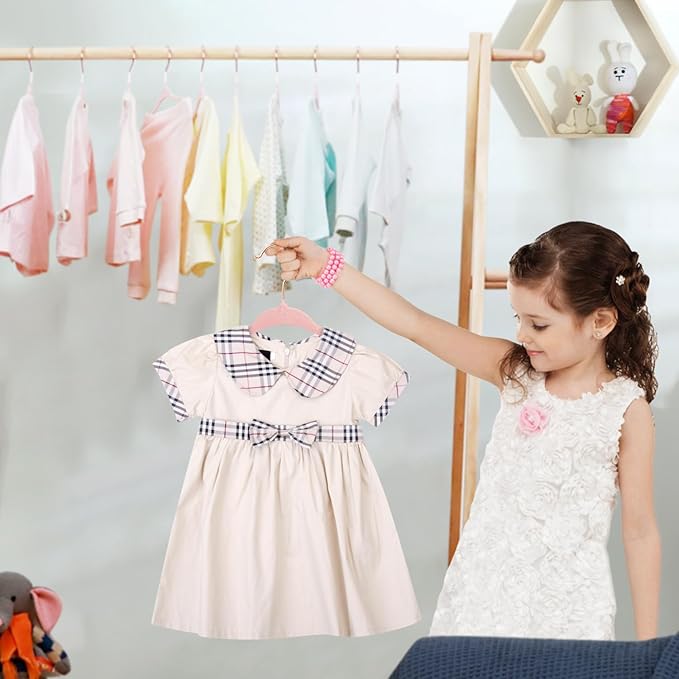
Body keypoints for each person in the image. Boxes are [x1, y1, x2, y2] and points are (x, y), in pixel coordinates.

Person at [264, 221, 661, 641]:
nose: (522, 335)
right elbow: (414, 323)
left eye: (539, 325)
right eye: (519, 319)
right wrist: (326, 267)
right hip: (482, 598)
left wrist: (648, 648)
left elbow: (639, 532)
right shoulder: (515, 373)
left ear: (601, 321)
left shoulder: (625, 410)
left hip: (567, 615)